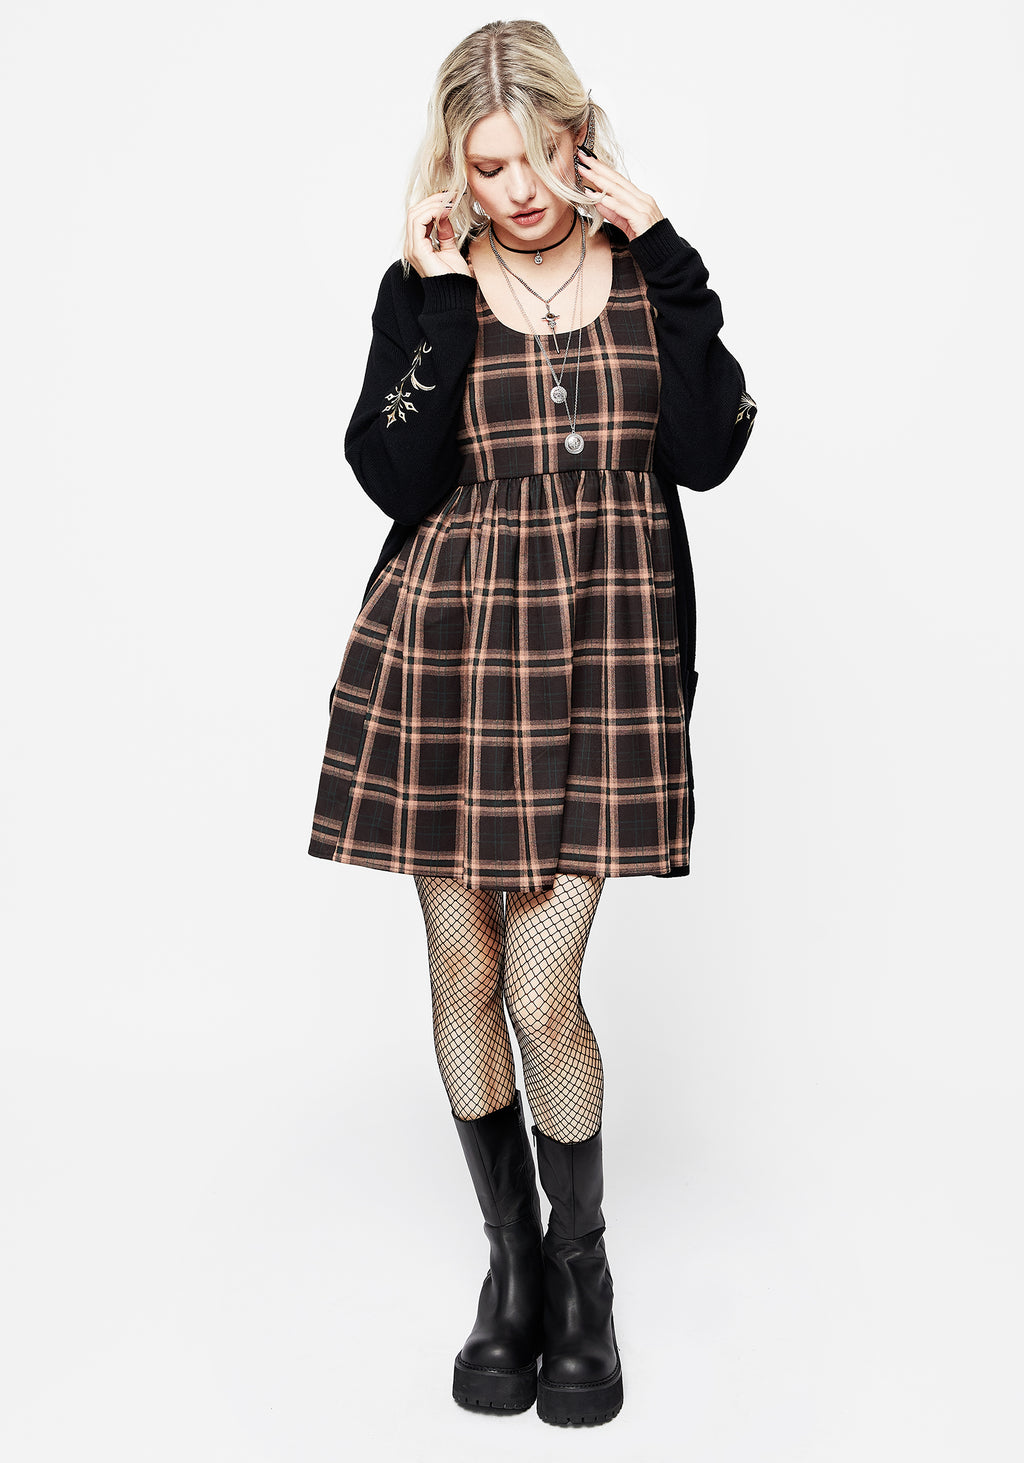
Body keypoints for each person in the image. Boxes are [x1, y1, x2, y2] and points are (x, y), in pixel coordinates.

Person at [307, 18, 757, 1428]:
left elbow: (712, 449)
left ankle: (584, 1274)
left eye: (534, 158)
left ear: (580, 135)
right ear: (455, 164)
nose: (513, 191)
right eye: (483, 166)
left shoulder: (647, 275)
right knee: (467, 972)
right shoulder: (425, 286)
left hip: (607, 665)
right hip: (445, 663)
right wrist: (441, 301)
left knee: (544, 987)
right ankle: (512, 1272)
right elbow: (392, 471)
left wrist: (669, 250)